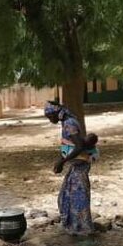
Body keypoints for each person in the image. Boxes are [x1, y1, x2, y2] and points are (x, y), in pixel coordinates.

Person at [44, 101, 94, 238]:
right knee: (65, 197)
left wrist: (62, 161)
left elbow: (79, 146)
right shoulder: (66, 122)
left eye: (50, 117)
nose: (50, 120)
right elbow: (69, 145)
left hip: (80, 166)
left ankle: (85, 232)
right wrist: (61, 158)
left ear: (55, 113)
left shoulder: (69, 123)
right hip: (75, 166)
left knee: (79, 199)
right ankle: (75, 227)